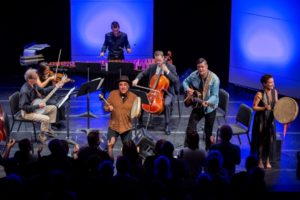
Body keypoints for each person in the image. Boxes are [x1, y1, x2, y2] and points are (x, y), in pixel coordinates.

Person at [132, 50, 179, 135]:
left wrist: (167, 71)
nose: (158, 63)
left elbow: (175, 80)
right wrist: (137, 79)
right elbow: (142, 73)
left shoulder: (171, 67)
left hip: (167, 92)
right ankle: (140, 122)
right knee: (142, 99)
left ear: (164, 58)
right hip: (154, 91)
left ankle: (167, 124)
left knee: (167, 104)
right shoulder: (152, 67)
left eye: (160, 61)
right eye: (156, 61)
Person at [182, 57, 219, 150]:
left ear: (206, 66)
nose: (200, 69)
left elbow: (215, 96)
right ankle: (188, 149)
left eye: (202, 67)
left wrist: (208, 102)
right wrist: (187, 89)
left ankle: (208, 150)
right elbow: (184, 82)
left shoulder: (214, 79)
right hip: (198, 106)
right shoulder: (194, 75)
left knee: (208, 131)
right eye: (199, 67)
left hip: (210, 108)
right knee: (190, 127)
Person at [19, 68, 64, 143]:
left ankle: (48, 129)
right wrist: (38, 106)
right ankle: (41, 136)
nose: (37, 79)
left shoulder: (34, 85)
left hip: (34, 108)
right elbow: (24, 107)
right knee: (46, 118)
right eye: (36, 78)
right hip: (27, 113)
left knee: (53, 108)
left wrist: (56, 86)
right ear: (29, 79)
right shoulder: (25, 91)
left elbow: (43, 91)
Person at [103, 75, 137, 158]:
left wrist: (135, 113)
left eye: (125, 84)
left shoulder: (134, 97)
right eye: (121, 85)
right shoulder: (113, 94)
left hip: (126, 127)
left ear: (128, 86)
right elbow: (105, 107)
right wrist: (108, 108)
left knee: (128, 152)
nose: (123, 87)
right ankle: (109, 166)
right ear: (118, 86)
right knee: (109, 147)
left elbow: (138, 113)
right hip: (114, 126)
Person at [251, 74, 278, 169]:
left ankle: (267, 160)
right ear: (264, 84)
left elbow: (277, 105)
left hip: (270, 120)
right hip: (261, 121)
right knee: (261, 141)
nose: (272, 84)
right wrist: (264, 107)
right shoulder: (259, 94)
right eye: (270, 82)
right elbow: (254, 107)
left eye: (273, 82)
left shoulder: (275, 92)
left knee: (269, 141)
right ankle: (259, 160)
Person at [37, 62, 69, 129]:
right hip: (43, 97)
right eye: (46, 70)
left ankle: (58, 121)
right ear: (41, 70)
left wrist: (60, 82)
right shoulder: (37, 76)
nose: (48, 71)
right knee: (55, 104)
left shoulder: (50, 75)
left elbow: (54, 87)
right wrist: (49, 79)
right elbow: (40, 86)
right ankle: (52, 123)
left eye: (49, 69)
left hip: (51, 95)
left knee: (61, 103)